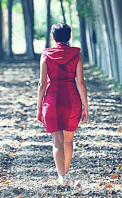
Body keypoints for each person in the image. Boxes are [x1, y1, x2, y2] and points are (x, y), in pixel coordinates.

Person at [37, 23, 89, 185]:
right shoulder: (77, 55)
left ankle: (61, 177)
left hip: (52, 100)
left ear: (53, 37)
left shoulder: (46, 55)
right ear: (69, 37)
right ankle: (65, 175)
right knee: (68, 140)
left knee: (57, 141)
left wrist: (39, 107)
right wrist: (85, 105)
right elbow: (80, 82)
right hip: (71, 98)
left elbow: (42, 84)